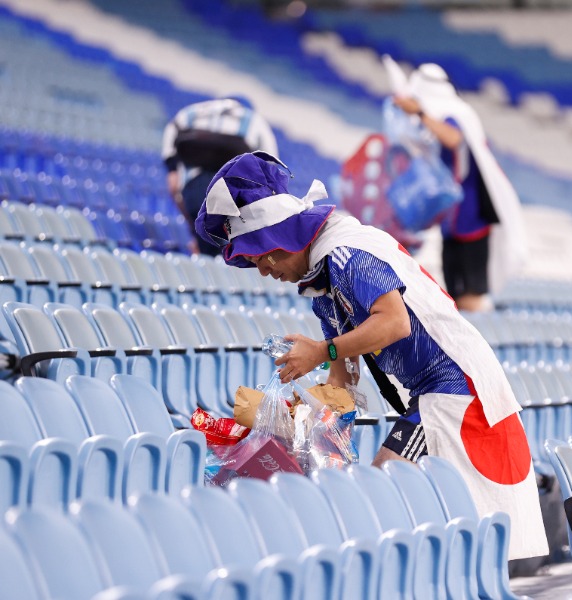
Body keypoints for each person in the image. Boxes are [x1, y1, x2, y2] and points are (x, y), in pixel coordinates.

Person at [195, 151, 549, 561]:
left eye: (259, 258)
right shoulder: (323, 289)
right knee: (402, 499)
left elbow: (394, 323)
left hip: (455, 387)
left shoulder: (348, 251)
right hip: (433, 391)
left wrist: (322, 351)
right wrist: (298, 424)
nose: (263, 271)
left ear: (277, 242)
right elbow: (344, 378)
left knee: (388, 485)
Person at [392, 63, 526, 312]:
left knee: (470, 294)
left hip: (469, 218)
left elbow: (453, 138)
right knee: (454, 293)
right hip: (452, 221)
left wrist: (421, 113)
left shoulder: (455, 115)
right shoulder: (440, 118)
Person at [161, 96, 278, 256]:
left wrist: (172, 169)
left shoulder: (190, 113)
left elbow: (174, 185)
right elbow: (269, 169)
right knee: (226, 257)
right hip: (231, 195)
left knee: (207, 253)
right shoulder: (254, 120)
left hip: (194, 191)